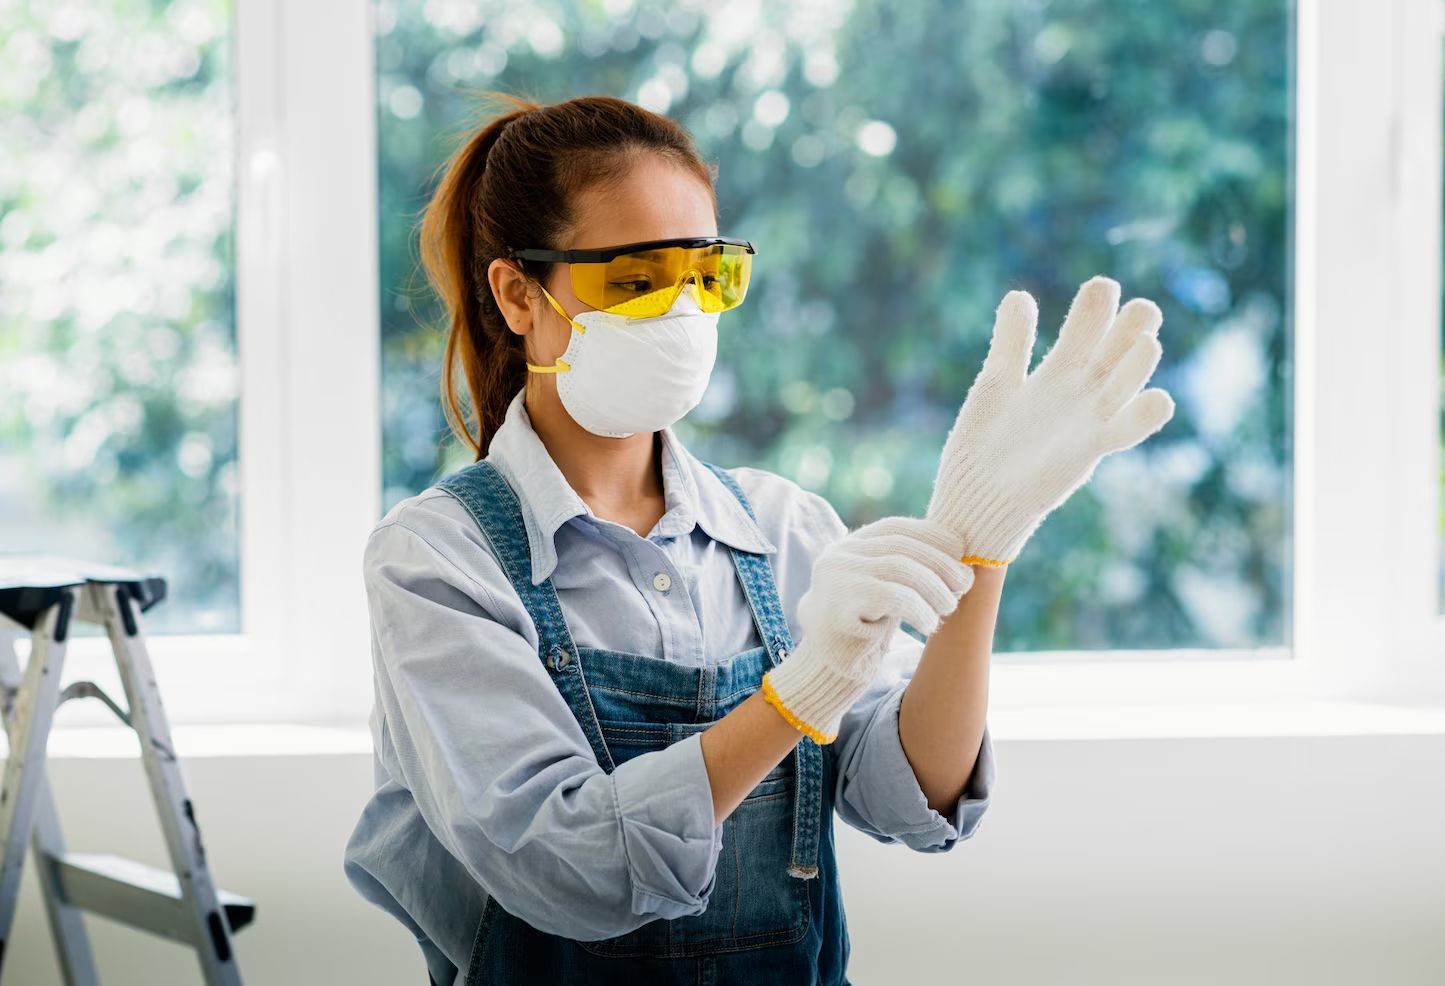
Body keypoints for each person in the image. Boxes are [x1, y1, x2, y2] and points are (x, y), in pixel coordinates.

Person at [343, 92, 1175, 986]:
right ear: (519, 293)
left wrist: (982, 549)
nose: (681, 313)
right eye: (636, 278)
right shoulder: (438, 561)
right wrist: (802, 692)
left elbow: (912, 797)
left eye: (706, 277)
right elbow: (568, 870)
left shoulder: (781, 528)